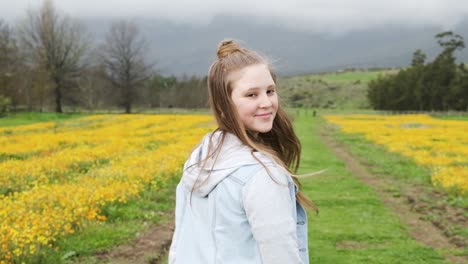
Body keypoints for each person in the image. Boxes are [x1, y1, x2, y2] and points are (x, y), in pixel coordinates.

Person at [168, 39, 315, 264]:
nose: (266, 102)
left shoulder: (200, 158)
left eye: (270, 91)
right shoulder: (263, 176)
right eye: (251, 95)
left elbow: (181, 245)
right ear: (223, 104)